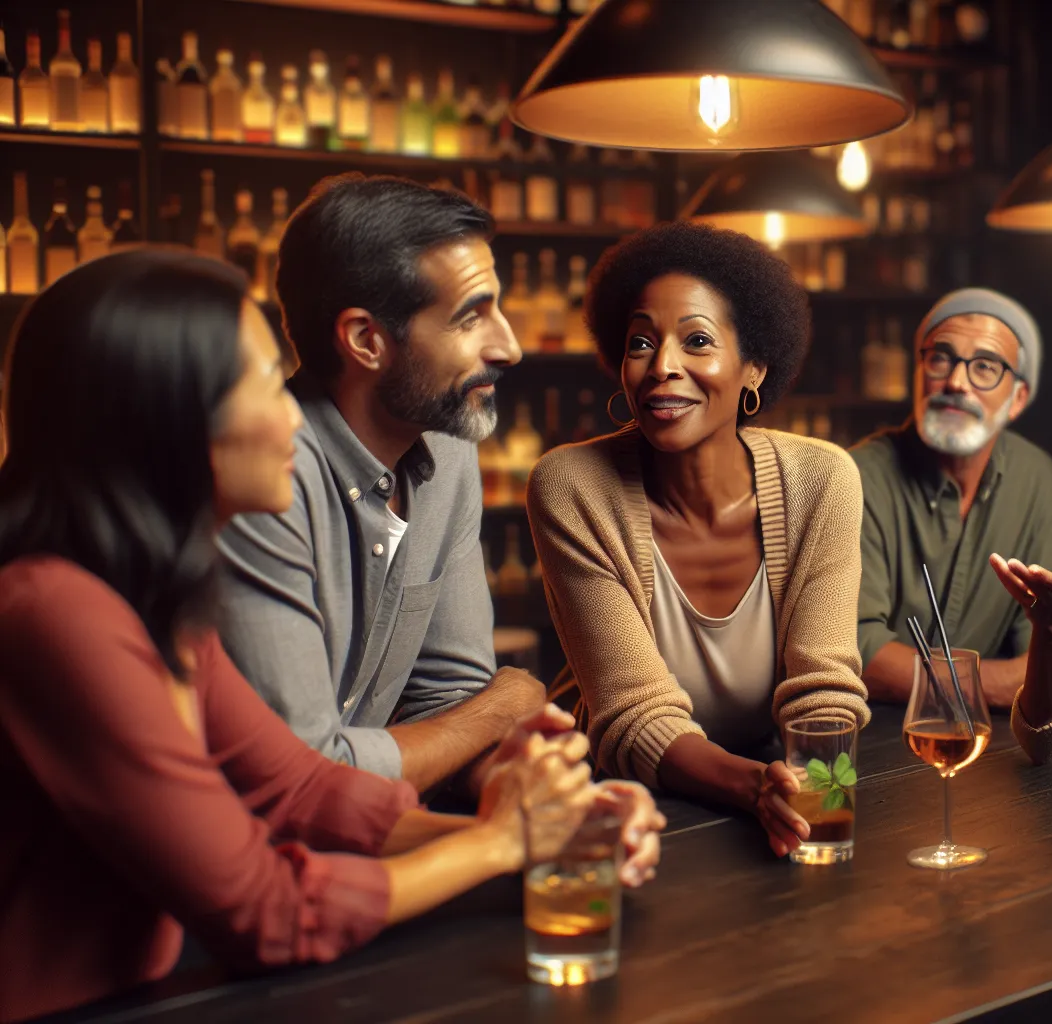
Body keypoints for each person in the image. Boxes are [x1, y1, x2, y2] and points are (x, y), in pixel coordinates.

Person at [0, 252, 663, 1023]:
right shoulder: (54, 613)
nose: (291, 416)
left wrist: (549, 828)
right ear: (165, 417)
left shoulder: (150, 599)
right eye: (262, 382)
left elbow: (298, 792)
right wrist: (496, 845)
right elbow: (267, 911)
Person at [528, 221, 872, 859]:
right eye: (641, 342)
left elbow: (824, 686)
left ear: (754, 368)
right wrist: (756, 790)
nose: (662, 366)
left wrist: (820, 812)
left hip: (775, 786)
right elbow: (633, 710)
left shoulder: (822, 480)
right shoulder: (573, 486)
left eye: (698, 341)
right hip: (621, 809)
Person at [216, 174, 546, 796]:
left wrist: (531, 794)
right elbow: (302, 773)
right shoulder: (262, 483)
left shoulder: (448, 450)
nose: (509, 347)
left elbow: (451, 701)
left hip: (370, 830)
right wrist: (503, 708)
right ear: (367, 341)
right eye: (471, 318)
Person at [851, 287, 1052, 764]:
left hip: (993, 754)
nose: (957, 381)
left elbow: (1043, 645)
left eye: (985, 367)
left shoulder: (1035, 476)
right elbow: (854, 649)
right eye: (941, 358)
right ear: (919, 372)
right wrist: (1002, 681)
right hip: (865, 745)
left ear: (1017, 398)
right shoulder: (856, 476)